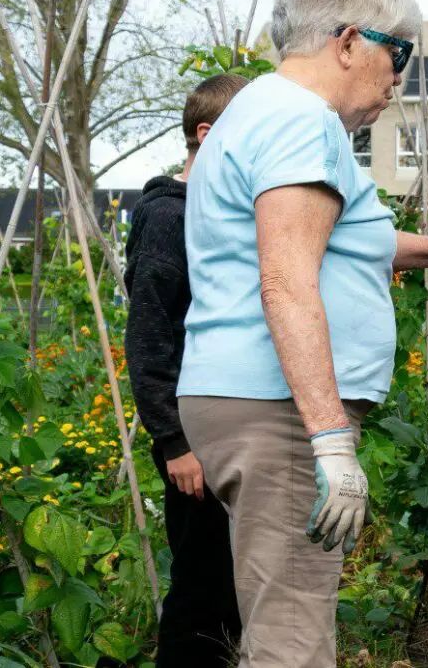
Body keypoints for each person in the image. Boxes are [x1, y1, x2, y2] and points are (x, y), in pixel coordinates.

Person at [175, 0, 428, 666]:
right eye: (396, 52)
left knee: (284, 614)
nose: (399, 78)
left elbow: (347, 240)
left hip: (251, 397)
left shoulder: (262, 111)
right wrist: (330, 443)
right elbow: (287, 280)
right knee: (292, 637)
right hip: (276, 405)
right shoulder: (299, 123)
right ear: (346, 41)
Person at [125, 72, 249, 666]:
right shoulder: (169, 219)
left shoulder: (214, 211)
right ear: (208, 134)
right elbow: (149, 335)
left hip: (218, 423)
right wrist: (174, 442)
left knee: (225, 585)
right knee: (199, 590)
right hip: (188, 435)